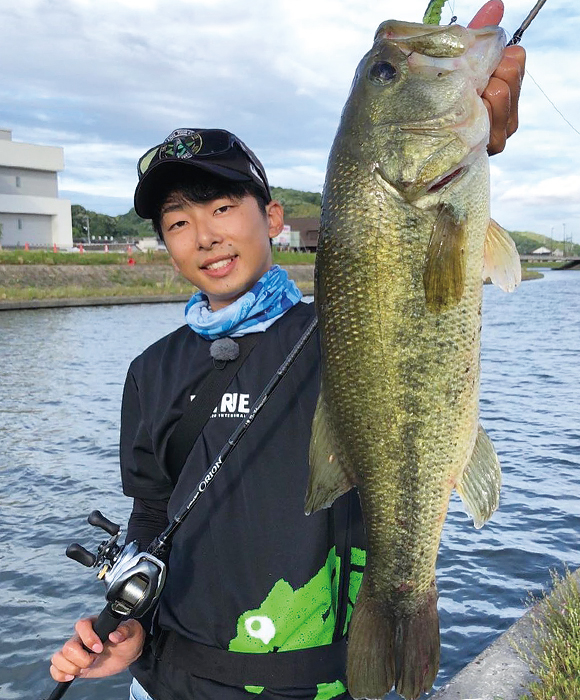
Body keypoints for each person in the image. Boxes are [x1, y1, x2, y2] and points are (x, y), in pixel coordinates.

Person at [50, 4, 526, 698]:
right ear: (165, 242)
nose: (204, 234)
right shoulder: (150, 372)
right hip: (166, 679)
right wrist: (132, 626)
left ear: (273, 218)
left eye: (221, 207)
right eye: (178, 221)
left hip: (317, 681)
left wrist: (480, 138)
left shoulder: (331, 334)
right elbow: (152, 513)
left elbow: (417, 286)